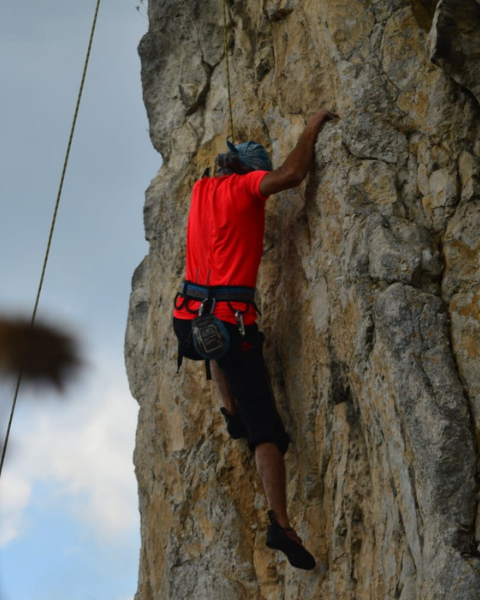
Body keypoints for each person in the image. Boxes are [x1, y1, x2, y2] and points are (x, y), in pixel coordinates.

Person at [172, 109, 339, 570]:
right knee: (268, 431)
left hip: (187, 319)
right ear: (251, 173)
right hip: (229, 324)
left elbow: (228, 169)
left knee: (215, 347)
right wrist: (310, 127)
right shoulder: (248, 189)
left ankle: (230, 413)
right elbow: (292, 173)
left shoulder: (200, 190)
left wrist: (234, 163)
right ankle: (280, 522)